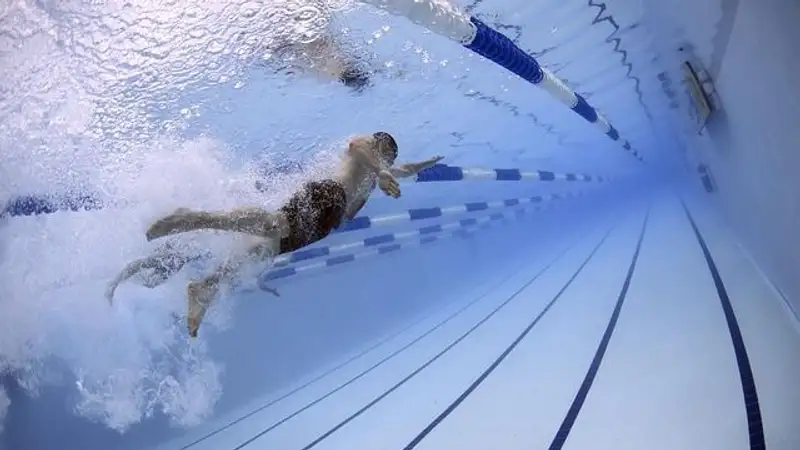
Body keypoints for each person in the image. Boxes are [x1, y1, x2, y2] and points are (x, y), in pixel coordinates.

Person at [145, 132, 443, 337]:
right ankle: (193, 219)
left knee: (264, 249)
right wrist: (380, 171)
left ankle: (205, 286)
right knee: (272, 225)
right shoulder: (369, 148)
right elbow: (356, 146)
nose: (389, 162)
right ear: (381, 145)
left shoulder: (379, 173)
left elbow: (405, 169)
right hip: (328, 195)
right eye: (388, 155)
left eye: (390, 160)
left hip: (325, 224)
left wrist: (428, 162)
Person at [104, 239, 211, 304]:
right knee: (144, 265)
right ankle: (113, 283)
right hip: (169, 252)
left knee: (151, 284)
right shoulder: (168, 251)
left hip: (176, 262)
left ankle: (122, 281)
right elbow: (139, 264)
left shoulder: (203, 245)